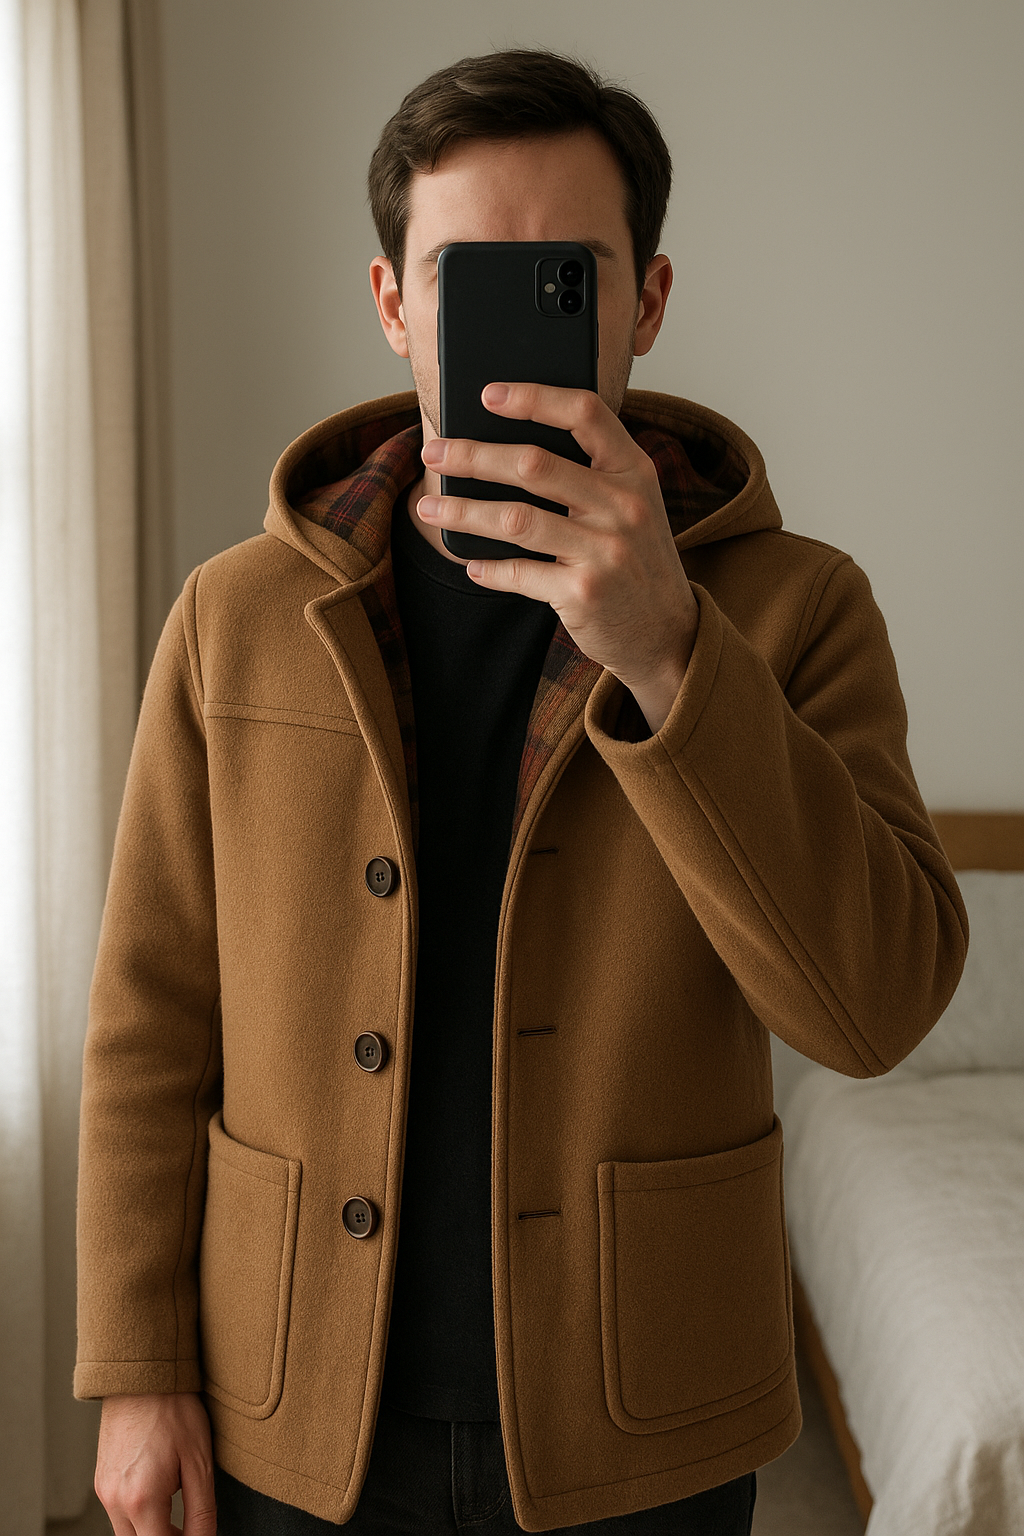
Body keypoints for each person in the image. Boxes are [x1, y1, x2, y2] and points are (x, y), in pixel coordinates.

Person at [75, 46, 968, 1536]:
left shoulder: (799, 610)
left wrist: (675, 655)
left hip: (642, 1406)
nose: (511, 322)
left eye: (563, 277)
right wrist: (135, 1367)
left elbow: (872, 1009)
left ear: (649, 301)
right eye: (465, 274)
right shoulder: (236, 616)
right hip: (288, 1387)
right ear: (393, 304)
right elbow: (150, 1016)